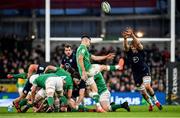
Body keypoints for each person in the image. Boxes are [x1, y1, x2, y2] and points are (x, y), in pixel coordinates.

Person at [76, 35, 124, 112]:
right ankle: (118, 67)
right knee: (101, 67)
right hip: (88, 71)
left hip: (86, 74)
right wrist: (84, 71)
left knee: (94, 90)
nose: (89, 44)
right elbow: (80, 58)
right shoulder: (82, 48)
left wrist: (106, 56)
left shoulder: (83, 50)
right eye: (89, 42)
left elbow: (94, 57)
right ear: (86, 40)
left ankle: (99, 107)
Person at [122, 27, 162, 111]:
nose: (133, 47)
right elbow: (125, 47)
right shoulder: (129, 52)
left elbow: (139, 44)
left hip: (144, 70)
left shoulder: (140, 50)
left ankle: (156, 101)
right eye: (132, 46)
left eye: (134, 46)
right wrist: (125, 39)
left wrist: (132, 34)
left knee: (147, 86)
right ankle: (151, 104)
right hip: (136, 73)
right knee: (143, 92)